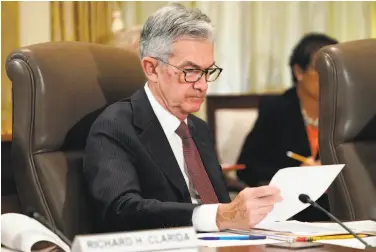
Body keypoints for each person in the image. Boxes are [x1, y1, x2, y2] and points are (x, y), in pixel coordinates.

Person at [83, 3, 282, 233]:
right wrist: (219, 216)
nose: (203, 85)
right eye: (190, 71)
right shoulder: (116, 126)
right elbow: (121, 210)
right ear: (152, 69)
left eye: (208, 71)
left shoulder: (198, 128)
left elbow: (220, 207)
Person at [237, 33, 338, 222]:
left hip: (342, 209)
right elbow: (247, 167)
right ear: (299, 72)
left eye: (335, 71)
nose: (330, 79)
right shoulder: (276, 110)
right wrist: (295, 175)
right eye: (321, 71)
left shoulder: (348, 111)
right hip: (292, 214)